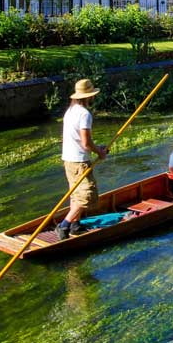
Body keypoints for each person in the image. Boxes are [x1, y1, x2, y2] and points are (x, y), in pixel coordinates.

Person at [55, 79, 109, 240]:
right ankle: (64, 225)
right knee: (87, 195)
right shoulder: (85, 114)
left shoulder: (70, 111)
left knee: (75, 194)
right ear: (88, 96)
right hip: (79, 161)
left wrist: (98, 147)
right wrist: (99, 152)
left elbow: (78, 139)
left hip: (68, 159)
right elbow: (85, 143)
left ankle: (75, 226)